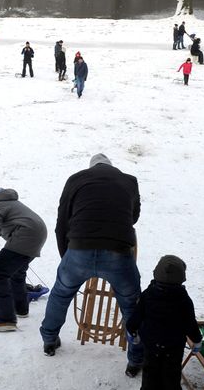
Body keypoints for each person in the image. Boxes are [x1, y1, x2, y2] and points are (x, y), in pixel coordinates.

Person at [38, 154, 141, 373]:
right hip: (118, 250)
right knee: (131, 303)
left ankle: (49, 339)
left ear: (91, 167)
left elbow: (61, 220)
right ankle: (135, 360)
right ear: (112, 167)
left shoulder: (76, 179)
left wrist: (66, 254)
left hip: (79, 248)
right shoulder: (129, 181)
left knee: (61, 293)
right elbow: (134, 216)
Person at [126, 255, 200, 390]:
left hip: (151, 341)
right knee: (171, 370)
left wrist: (132, 329)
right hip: (174, 343)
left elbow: (137, 314)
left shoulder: (148, 294)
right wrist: (197, 339)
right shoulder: (184, 299)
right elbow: (190, 322)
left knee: (150, 369)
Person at [0, 181, 48, 332]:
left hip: (26, 235)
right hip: (38, 233)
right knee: (17, 271)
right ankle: (20, 308)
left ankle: (4, 319)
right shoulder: (7, 201)